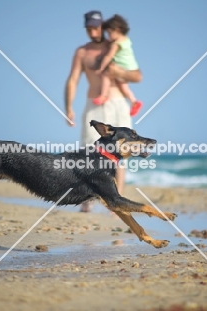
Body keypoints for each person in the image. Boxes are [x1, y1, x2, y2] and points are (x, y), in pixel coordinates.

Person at [65, 10, 142, 212]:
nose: (93, 31)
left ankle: (118, 201)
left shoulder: (117, 45)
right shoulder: (82, 52)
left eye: (97, 27)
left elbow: (137, 75)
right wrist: (68, 107)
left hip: (118, 102)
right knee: (88, 151)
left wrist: (119, 72)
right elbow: (73, 80)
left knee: (121, 153)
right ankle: (86, 201)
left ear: (105, 27)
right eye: (89, 28)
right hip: (95, 104)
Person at [93, 14, 143, 117]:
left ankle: (103, 96)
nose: (109, 36)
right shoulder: (126, 39)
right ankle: (134, 102)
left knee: (105, 75)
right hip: (131, 68)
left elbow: (108, 56)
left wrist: (100, 68)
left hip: (123, 68)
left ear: (118, 30)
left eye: (110, 33)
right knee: (123, 86)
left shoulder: (116, 44)